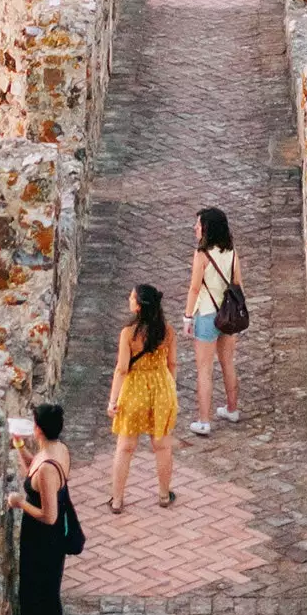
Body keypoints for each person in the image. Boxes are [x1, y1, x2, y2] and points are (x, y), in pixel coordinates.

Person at [7, 400, 72, 615]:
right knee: (39, 587)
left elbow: (49, 515)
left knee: (44, 590)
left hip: (45, 537)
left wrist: (20, 503)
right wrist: (20, 448)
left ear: (38, 429)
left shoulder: (48, 466)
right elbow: (34, 472)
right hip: (43, 536)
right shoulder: (57, 449)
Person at [107, 282, 178, 511]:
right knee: (162, 445)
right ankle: (164, 495)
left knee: (125, 446)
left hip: (135, 389)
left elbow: (122, 369)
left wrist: (113, 400)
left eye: (132, 298)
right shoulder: (167, 330)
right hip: (161, 387)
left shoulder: (128, 333)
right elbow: (172, 363)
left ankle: (117, 500)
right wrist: (169, 388)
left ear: (138, 307)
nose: (129, 300)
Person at [182, 207, 243, 436]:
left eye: (198, 224)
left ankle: (204, 420)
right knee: (228, 363)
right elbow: (238, 286)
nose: (195, 228)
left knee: (204, 370)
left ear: (207, 228)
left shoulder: (202, 255)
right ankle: (232, 408)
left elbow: (194, 288)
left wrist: (188, 316)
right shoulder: (233, 254)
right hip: (227, 316)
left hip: (207, 315)